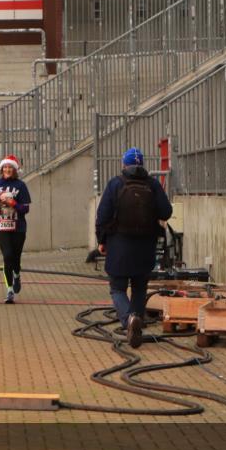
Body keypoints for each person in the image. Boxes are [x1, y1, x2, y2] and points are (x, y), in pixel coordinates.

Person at [94, 147, 173, 349]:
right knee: (139, 287)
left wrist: (101, 240)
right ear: (142, 164)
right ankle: (136, 320)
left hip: (119, 246)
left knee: (117, 288)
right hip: (145, 247)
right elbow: (166, 212)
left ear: (124, 164)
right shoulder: (153, 184)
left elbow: (102, 216)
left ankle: (129, 320)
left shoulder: (115, 184)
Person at [0, 155, 32, 304]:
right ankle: (9, 290)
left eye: (10, 167)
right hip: (0, 226)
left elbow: (25, 208)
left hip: (18, 227)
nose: (7, 170)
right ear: (1, 169)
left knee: (16, 258)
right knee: (7, 255)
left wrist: (13, 203)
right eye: (5, 167)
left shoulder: (21, 185)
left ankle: (17, 274)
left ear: (15, 170)